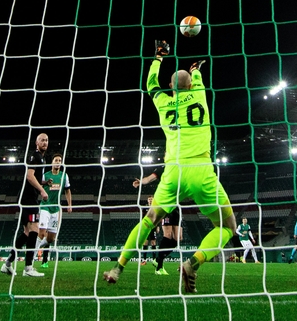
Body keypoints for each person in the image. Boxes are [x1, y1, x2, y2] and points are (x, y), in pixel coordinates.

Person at [104, 40, 235, 295]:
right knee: (228, 226)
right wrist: (196, 68)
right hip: (201, 169)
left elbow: (151, 84)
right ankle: (193, 263)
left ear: (170, 87)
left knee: (150, 219)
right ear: (191, 84)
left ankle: (118, 267)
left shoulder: (163, 102)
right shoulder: (199, 93)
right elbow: (194, 77)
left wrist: (158, 57)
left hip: (173, 171)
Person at [1, 133, 50, 278]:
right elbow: (29, 176)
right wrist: (42, 191)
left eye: (46, 140)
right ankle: (28, 268)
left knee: (27, 233)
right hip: (29, 198)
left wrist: (44, 183)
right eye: (42, 140)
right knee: (35, 228)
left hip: (28, 198)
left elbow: (35, 177)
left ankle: (7, 264)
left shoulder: (42, 158)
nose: (45, 142)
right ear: (36, 142)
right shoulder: (35, 156)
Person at [133, 170, 183, 275]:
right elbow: (149, 179)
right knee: (168, 234)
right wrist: (141, 182)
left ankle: (158, 259)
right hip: (166, 205)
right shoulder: (164, 168)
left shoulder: (181, 168)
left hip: (177, 207)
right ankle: (159, 267)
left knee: (178, 238)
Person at [36, 153, 72, 269]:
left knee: (51, 239)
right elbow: (38, 184)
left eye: (60, 160)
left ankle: (33, 247)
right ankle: (31, 257)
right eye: (56, 160)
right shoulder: (45, 175)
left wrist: (69, 204)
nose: (58, 162)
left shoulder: (64, 176)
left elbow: (67, 191)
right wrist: (44, 186)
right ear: (52, 162)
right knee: (41, 234)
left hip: (56, 209)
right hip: (45, 207)